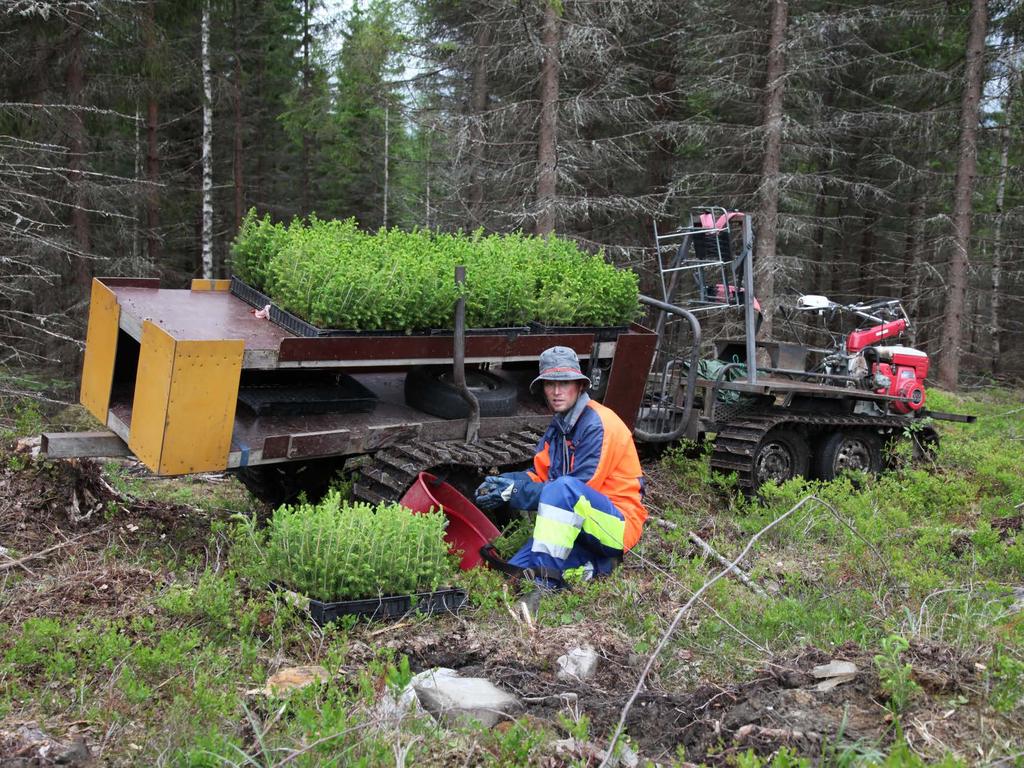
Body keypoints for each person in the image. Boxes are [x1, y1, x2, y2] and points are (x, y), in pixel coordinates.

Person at [475, 346, 647, 611]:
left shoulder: (599, 423)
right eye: (550, 384)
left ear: (579, 385)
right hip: (580, 527)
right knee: (513, 574)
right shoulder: (558, 428)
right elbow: (539, 475)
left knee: (562, 489)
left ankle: (545, 586)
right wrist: (505, 481)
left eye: (564, 383)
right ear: (542, 389)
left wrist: (513, 493)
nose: (557, 392)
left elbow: (576, 490)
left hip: (617, 527)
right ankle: (596, 567)